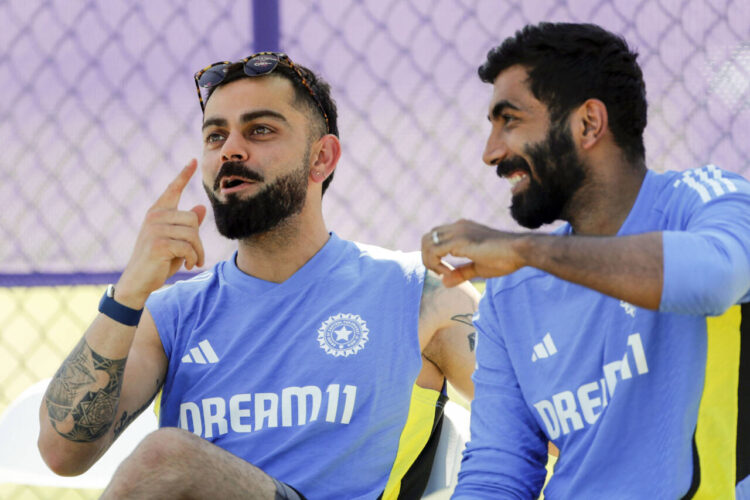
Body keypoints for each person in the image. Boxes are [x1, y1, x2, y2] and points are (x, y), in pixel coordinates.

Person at [38, 52, 479, 500]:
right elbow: (62, 453)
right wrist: (129, 290)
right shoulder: (169, 314)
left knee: (165, 459)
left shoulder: (419, 291)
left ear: (322, 158)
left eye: (260, 130)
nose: (230, 148)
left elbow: (536, 430)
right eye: (215, 136)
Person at [421, 22, 750, 499]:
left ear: (589, 124)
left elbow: (717, 276)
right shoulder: (513, 292)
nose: (491, 152)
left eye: (509, 120)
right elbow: (499, 472)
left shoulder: (704, 202)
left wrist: (523, 249)